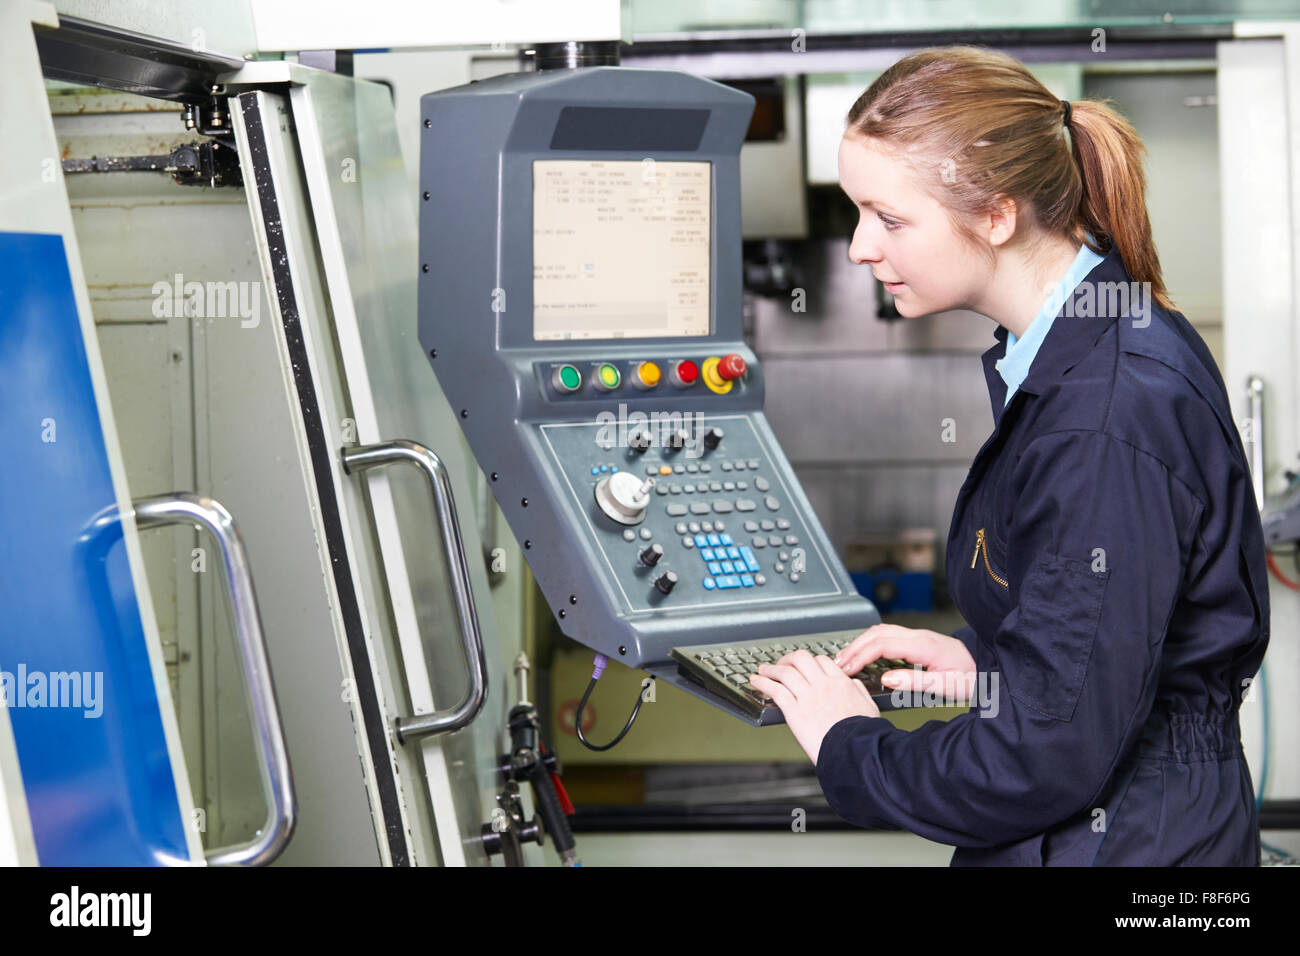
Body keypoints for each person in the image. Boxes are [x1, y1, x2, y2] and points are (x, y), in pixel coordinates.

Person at [748, 46, 1270, 865]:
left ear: (996, 215)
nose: (858, 248)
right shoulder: (1095, 343)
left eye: (888, 218)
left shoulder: (1102, 412)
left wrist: (850, 745)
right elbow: (1112, 643)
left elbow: (1040, 758)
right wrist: (982, 660)